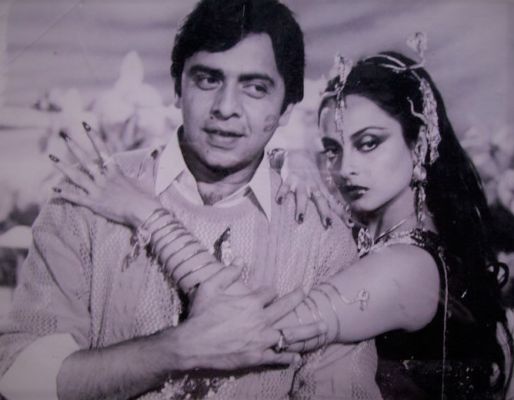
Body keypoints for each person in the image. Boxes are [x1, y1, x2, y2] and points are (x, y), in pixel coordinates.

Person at [0, 1, 380, 399]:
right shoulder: (91, 197)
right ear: (178, 87)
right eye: (208, 79)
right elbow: (26, 382)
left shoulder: (320, 238)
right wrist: (180, 349)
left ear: (286, 107)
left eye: (255, 87)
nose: (226, 108)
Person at [271, 43, 514, 399]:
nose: (346, 168)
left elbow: (266, 336)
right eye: (333, 150)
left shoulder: (407, 265)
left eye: (368, 143)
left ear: (418, 145)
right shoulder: (402, 243)